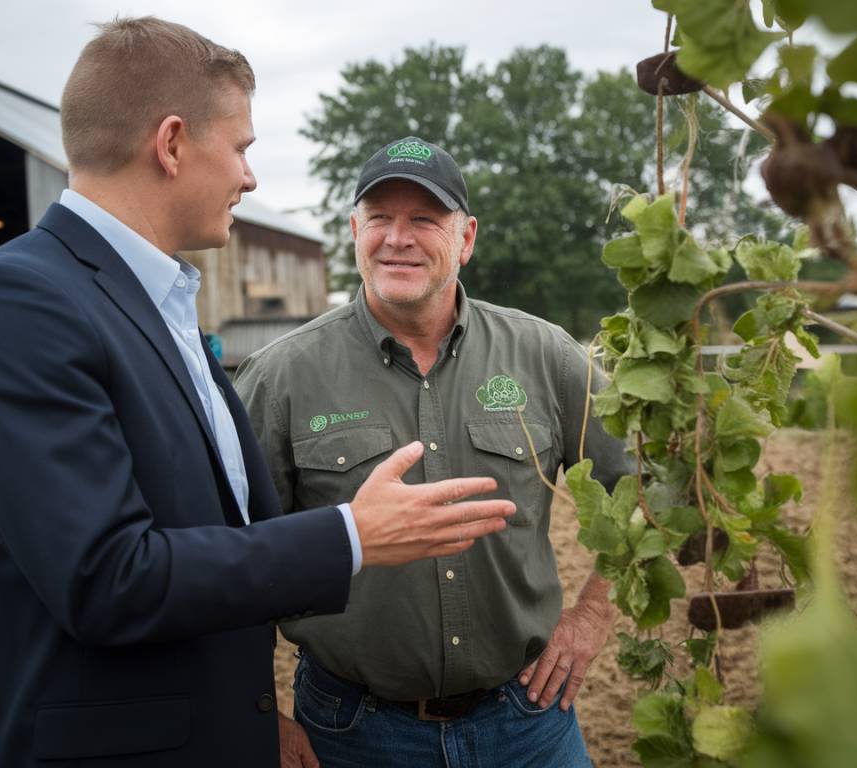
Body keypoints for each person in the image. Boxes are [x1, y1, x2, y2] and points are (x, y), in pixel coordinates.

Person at [0, 24, 515, 768]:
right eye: (240, 147)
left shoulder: (155, 306)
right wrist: (351, 535)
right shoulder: (19, 303)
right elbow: (107, 579)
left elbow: (214, 540)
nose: (250, 177)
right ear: (172, 144)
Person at [234, 136, 634, 767]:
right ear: (353, 232)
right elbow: (232, 556)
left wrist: (593, 615)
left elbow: (642, 484)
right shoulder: (280, 376)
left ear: (466, 238)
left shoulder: (546, 356)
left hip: (529, 722)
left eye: (424, 219)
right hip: (353, 733)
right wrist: (259, 713)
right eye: (380, 219)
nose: (399, 238)